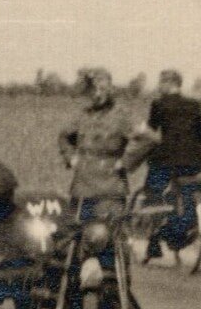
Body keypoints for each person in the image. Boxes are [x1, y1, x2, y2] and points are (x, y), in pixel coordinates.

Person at [57, 68, 147, 224]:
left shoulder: (122, 115)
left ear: (111, 90)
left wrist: (126, 161)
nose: (98, 94)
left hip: (110, 188)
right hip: (82, 187)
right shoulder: (82, 115)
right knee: (76, 235)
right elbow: (64, 136)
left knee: (107, 237)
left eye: (103, 89)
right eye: (94, 90)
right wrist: (71, 157)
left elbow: (147, 138)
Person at [139, 68, 201, 263]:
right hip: (193, 161)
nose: (158, 86)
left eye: (160, 82)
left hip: (166, 161)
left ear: (168, 83)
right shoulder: (195, 105)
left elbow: (152, 133)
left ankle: (154, 241)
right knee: (186, 193)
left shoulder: (159, 104)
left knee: (153, 193)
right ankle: (181, 229)